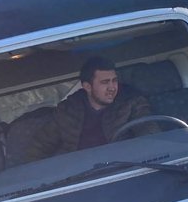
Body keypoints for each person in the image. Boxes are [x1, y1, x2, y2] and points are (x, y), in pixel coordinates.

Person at [26, 56, 156, 161]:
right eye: (105, 82)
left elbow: (150, 136)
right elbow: (38, 148)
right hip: (80, 179)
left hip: (125, 169)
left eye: (114, 80)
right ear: (87, 87)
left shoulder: (132, 102)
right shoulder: (67, 111)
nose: (112, 87)